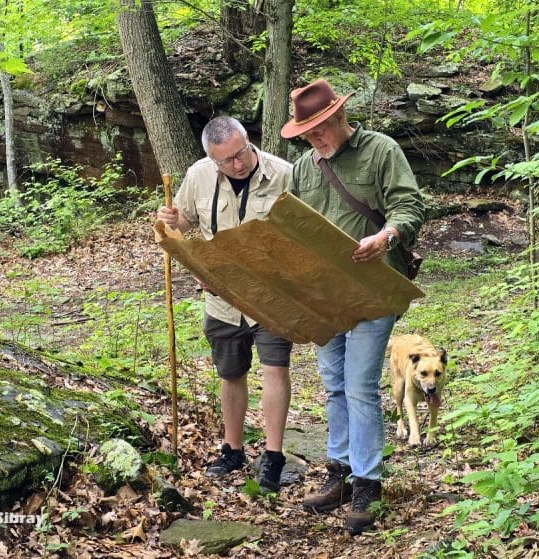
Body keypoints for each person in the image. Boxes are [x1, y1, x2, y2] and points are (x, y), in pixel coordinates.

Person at [280, 79, 425, 535]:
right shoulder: (305, 167)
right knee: (333, 385)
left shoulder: (381, 150)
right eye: (307, 133)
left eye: (320, 129)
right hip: (326, 294)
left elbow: (410, 206)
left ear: (340, 117)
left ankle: (369, 484)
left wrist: (385, 238)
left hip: (373, 287)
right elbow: (296, 226)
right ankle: (340, 472)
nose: (315, 139)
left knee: (360, 385)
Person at [156, 116, 293, 494]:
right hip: (221, 299)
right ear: (211, 160)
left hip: (271, 296)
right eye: (226, 161)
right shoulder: (199, 174)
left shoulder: (283, 174)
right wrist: (171, 220)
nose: (237, 164)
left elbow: (301, 235)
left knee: (274, 368)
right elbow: (183, 222)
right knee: (230, 372)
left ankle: (273, 456)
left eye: (241, 153)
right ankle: (232, 449)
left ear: (249, 141)